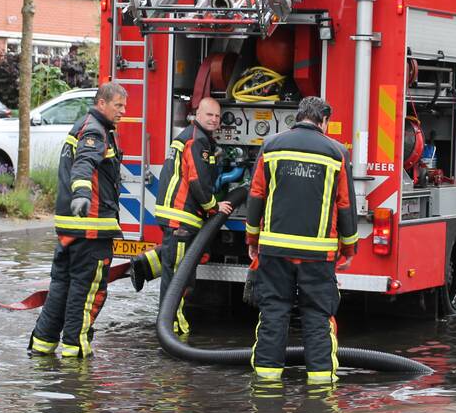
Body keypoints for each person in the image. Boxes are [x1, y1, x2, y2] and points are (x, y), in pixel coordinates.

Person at [245, 96, 358, 383]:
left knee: (273, 314)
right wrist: (349, 248)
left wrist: (252, 240)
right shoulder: (336, 153)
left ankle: (266, 383)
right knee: (317, 318)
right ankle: (320, 387)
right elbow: (345, 205)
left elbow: (256, 195)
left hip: (275, 250)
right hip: (318, 255)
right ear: (324, 121)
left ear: (298, 116)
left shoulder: (271, 146)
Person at [28, 82, 127, 358]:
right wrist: (82, 194)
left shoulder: (83, 125)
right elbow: (84, 164)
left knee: (61, 288)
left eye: (124, 106)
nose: (123, 111)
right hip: (91, 229)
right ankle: (76, 355)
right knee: (87, 293)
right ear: (102, 103)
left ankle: (42, 347)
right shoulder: (95, 131)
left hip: (71, 229)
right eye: (118, 105)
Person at [149, 96, 233, 335]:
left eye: (217, 116)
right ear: (197, 114)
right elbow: (197, 179)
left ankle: (171, 320)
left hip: (180, 215)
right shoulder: (196, 140)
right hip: (180, 216)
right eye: (209, 115)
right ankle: (170, 326)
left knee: (178, 272)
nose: (214, 119)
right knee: (179, 275)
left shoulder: (197, 138)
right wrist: (214, 207)